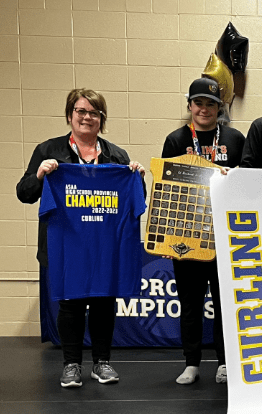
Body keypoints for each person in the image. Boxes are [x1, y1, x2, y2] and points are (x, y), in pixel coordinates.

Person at [16, 88, 145, 388]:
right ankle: (71, 364)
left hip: (104, 245)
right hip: (66, 244)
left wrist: (136, 177)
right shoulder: (49, 150)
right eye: (81, 111)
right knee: (70, 305)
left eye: (94, 113)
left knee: (103, 303)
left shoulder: (116, 155)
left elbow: (135, 202)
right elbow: (24, 193)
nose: (87, 117)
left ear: (102, 118)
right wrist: (39, 175)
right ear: (70, 115)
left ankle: (102, 363)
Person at [161, 78, 246, 385]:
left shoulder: (235, 138)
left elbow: (247, 184)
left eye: (211, 104)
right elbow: (166, 185)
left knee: (227, 303)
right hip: (187, 235)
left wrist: (232, 176)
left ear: (218, 108)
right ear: (190, 106)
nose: (204, 109)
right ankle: (192, 362)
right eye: (199, 103)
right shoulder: (176, 138)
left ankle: (225, 362)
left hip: (225, 236)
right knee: (191, 303)